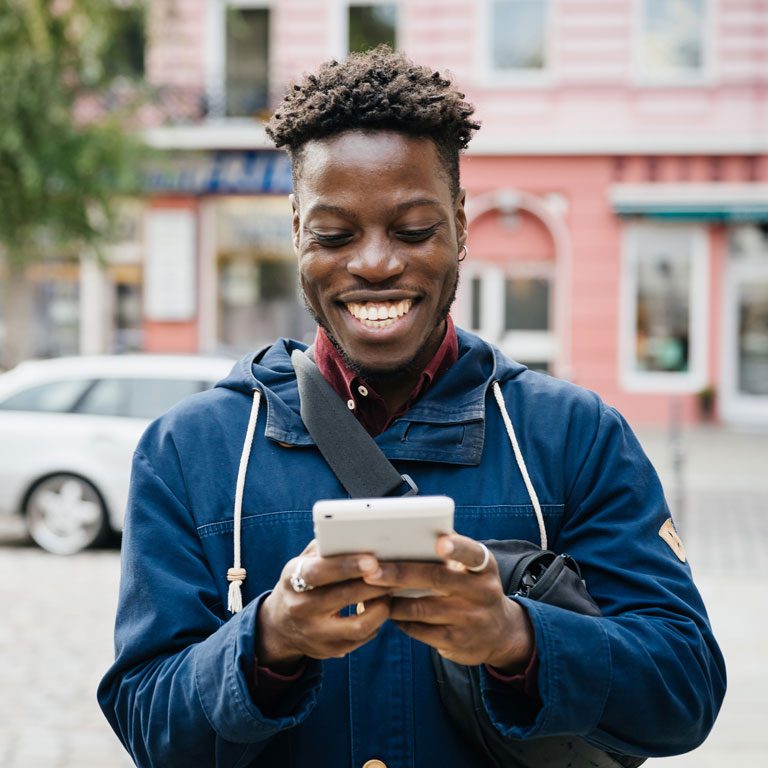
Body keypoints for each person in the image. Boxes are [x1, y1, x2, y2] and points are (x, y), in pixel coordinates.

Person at [98, 46, 725, 768]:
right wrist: (269, 640)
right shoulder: (187, 451)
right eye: (335, 234)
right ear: (296, 229)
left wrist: (516, 639)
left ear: (459, 223)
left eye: (413, 229)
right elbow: (147, 727)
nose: (374, 263)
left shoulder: (576, 437)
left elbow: (685, 691)